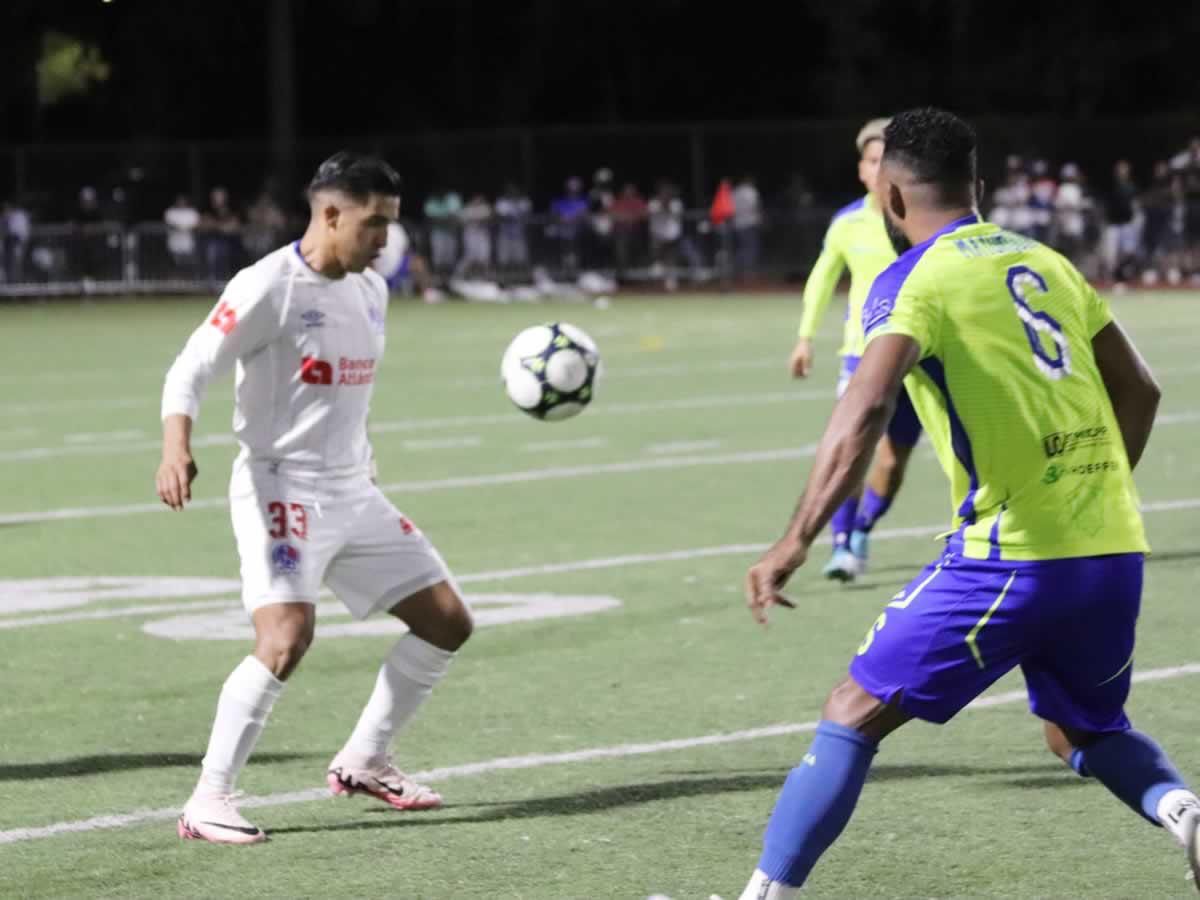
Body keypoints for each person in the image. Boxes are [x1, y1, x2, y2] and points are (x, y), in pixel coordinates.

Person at [738, 108, 1199, 898]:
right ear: (976, 186)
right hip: (1113, 552)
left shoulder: (912, 278)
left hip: (1010, 560)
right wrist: (1089, 493)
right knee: (1079, 729)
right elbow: (1143, 391)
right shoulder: (1048, 261)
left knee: (852, 710)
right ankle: (1185, 810)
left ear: (889, 198)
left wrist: (795, 541)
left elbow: (866, 409)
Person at [157, 151, 473, 845]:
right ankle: (208, 798)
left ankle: (366, 758)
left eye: (390, 223)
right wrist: (176, 446)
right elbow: (190, 368)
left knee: (447, 621)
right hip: (280, 486)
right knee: (287, 637)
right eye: (374, 223)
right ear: (330, 214)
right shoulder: (268, 285)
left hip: (353, 491)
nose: (385, 239)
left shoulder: (371, 290)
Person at [788, 117, 920, 582]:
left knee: (892, 459)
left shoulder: (924, 220)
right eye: (871, 159)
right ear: (862, 169)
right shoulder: (847, 223)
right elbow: (822, 279)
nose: (878, 166)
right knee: (852, 447)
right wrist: (805, 337)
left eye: (887, 158)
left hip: (921, 359)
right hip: (861, 354)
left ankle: (863, 527)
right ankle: (842, 544)